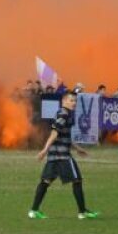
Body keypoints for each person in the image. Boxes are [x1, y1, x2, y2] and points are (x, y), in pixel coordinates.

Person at [30, 91, 99, 220]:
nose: (74, 103)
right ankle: (82, 212)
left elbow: (63, 135)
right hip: (62, 156)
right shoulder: (64, 113)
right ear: (64, 101)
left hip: (54, 156)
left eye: (75, 101)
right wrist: (44, 150)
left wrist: (78, 148)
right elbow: (55, 132)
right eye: (71, 100)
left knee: (46, 181)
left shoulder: (63, 113)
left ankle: (33, 211)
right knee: (77, 180)